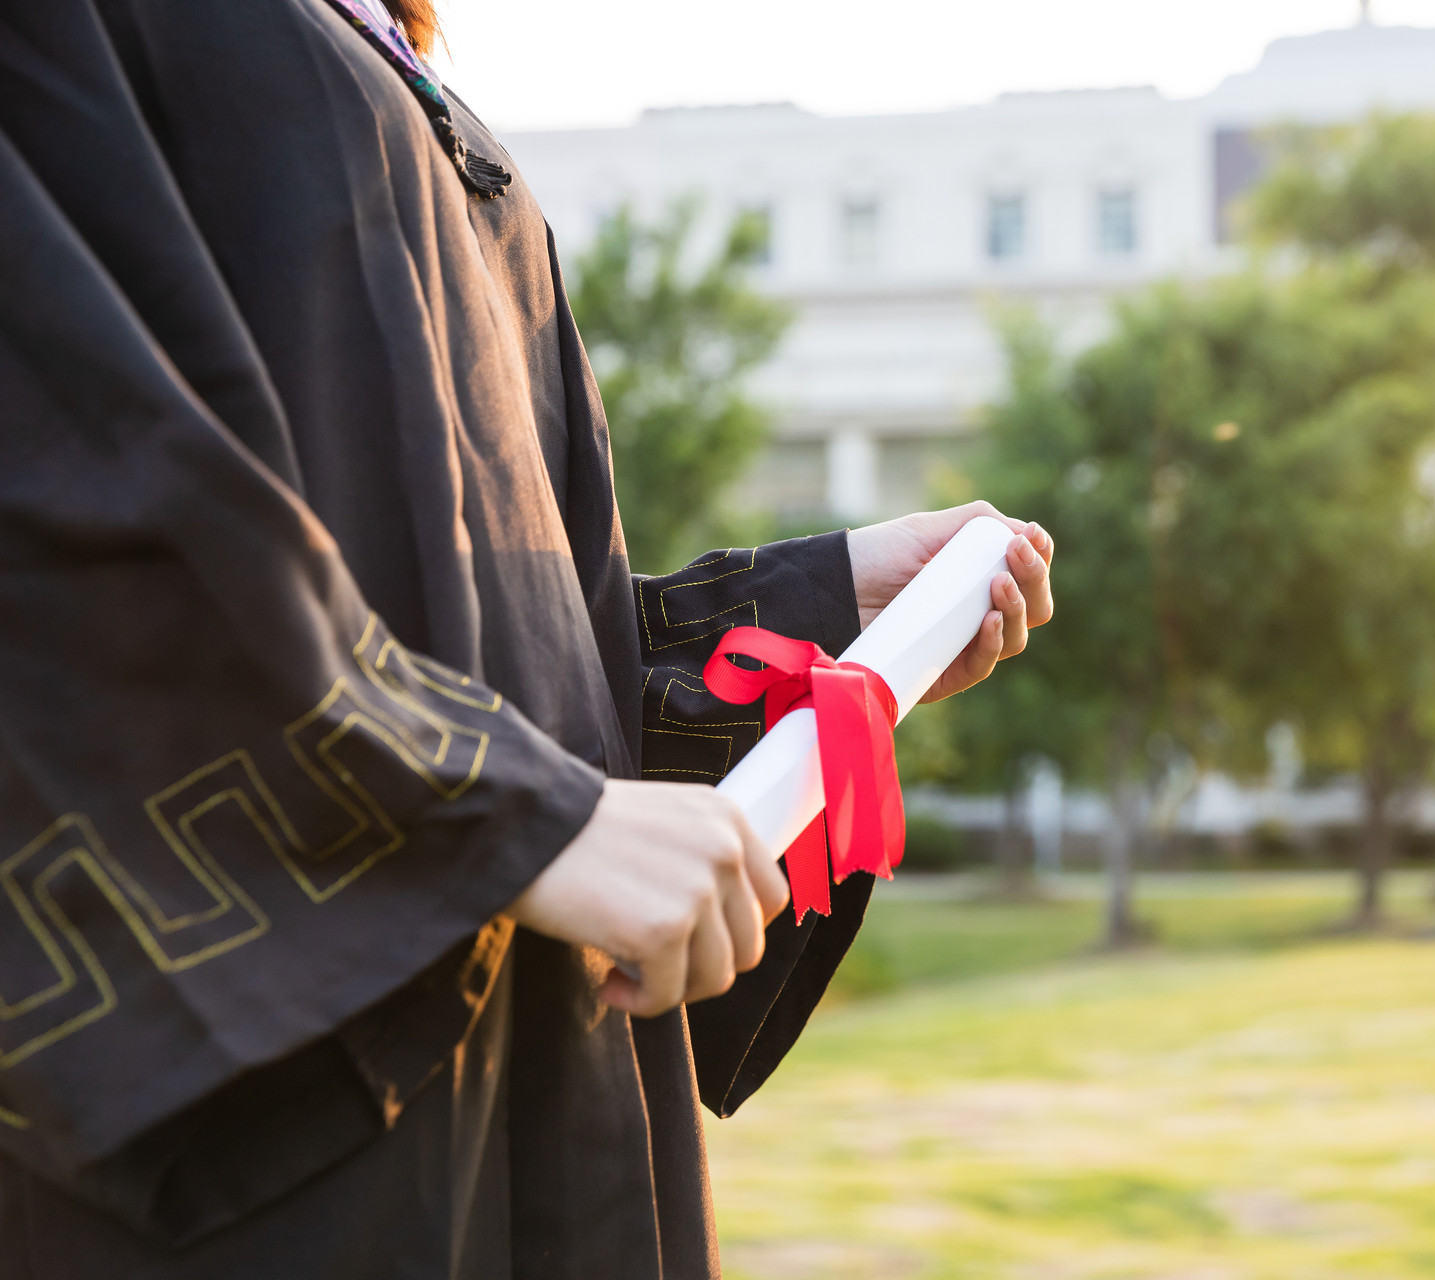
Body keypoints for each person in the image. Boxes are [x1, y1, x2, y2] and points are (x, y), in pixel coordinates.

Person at [0, 1, 1054, 1276]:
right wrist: (490, 803)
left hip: (540, 1059)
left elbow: (506, 635)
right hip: (291, 1115)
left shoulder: (381, 44)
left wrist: (810, 616)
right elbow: (62, 490)